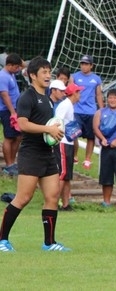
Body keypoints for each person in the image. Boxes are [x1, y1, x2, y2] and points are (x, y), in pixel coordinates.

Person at [0, 56, 69, 252]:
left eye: (49, 72)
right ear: (33, 75)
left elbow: (47, 126)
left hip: (47, 153)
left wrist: (55, 133)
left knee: (52, 196)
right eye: (44, 72)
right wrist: (48, 130)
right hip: (31, 154)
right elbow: (22, 124)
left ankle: (49, 243)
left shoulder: (47, 98)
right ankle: (2, 240)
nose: (48, 76)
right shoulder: (27, 97)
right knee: (23, 197)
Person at [70, 55, 104, 170]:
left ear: (91, 65)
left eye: (86, 64)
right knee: (74, 133)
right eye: (82, 63)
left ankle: (87, 159)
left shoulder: (96, 79)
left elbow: (98, 95)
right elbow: (70, 91)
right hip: (77, 110)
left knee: (90, 136)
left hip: (91, 111)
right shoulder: (74, 76)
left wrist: (102, 110)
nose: (83, 66)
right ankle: (74, 155)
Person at [54, 83, 83, 211]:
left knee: (67, 176)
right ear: (74, 93)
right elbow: (57, 121)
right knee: (63, 173)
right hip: (63, 142)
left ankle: (66, 204)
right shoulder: (65, 105)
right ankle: (53, 202)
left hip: (69, 142)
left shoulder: (69, 105)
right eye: (79, 92)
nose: (80, 95)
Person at [0, 53, 24, 176]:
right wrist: (12, 112)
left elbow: (24, 65)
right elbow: (5, 95)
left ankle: (12, 163)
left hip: (16, 109)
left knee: (18, 136)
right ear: (9, 65)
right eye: (16, 67)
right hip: (7, 110)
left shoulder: (11, 74)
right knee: (9, 137)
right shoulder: (3, 76)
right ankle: (9, 165)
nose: (18, 69)